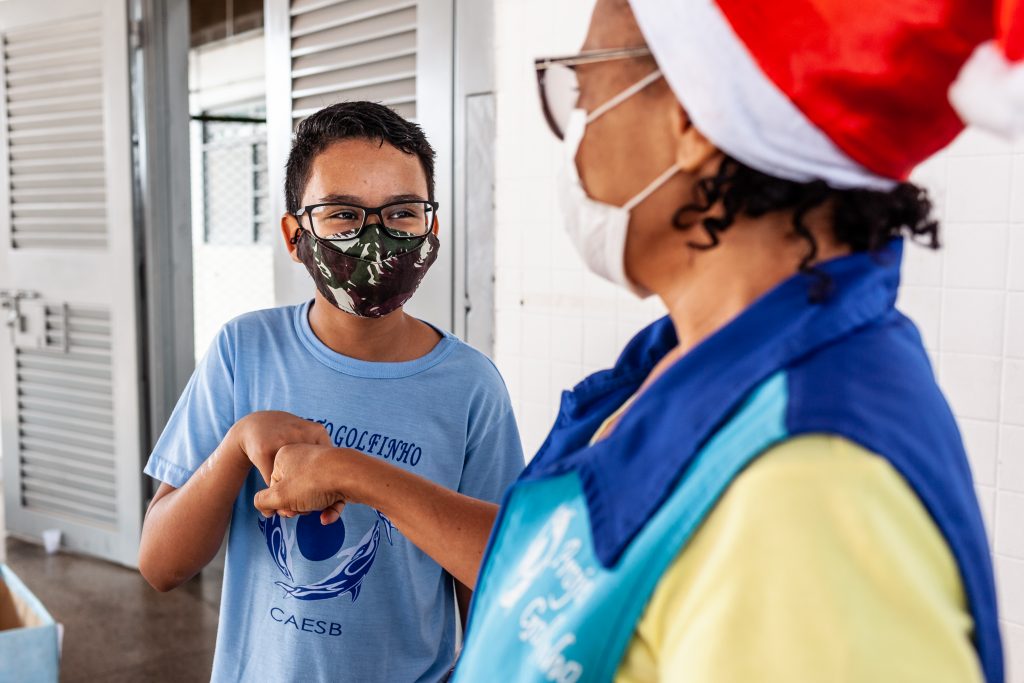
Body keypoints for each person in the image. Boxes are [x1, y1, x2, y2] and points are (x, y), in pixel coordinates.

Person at [252, 0, 1019, 681]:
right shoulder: (694, 368)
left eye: (583, 83)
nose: (574, 125)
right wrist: (359, 475)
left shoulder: (809, 490)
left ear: (689, 117)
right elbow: (565, 580)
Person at [137, 101, 524, 683]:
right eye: (342, 215)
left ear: (431, 229)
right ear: (296, 237)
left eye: (402, 213)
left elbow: (495, 583)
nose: (374, 237)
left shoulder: (470, 387)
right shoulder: (245, 352)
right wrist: (237, 445)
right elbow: (161, 565)